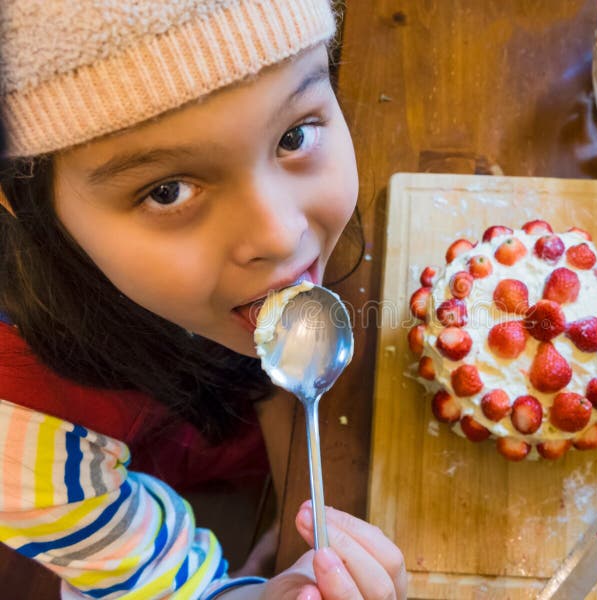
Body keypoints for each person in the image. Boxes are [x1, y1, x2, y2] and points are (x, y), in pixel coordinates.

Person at [0, 0, 406, 598]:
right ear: (21, 203)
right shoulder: (25, 448)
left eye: (293, 135)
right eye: (167, 192)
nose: (281, 234)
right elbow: (166, 585)